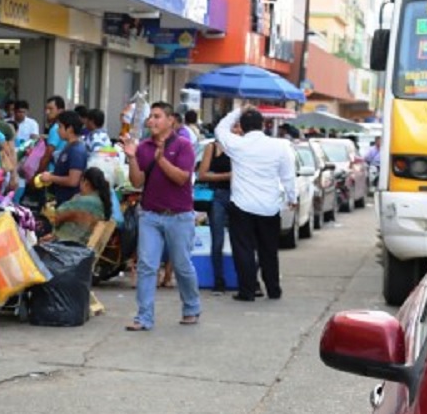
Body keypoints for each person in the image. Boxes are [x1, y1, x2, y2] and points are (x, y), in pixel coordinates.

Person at [120, 101, 201, 331]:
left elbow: (181, 178)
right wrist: (132, 158)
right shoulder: (144, 146)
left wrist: (161, 159)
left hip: (179, 215)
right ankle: (143, 317)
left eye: (157, 116)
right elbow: (137, 182)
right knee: (147, 265)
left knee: (182, 264)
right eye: (150, 117)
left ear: (170, 120)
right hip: (150, 215)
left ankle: (191, 307)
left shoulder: (184, 146)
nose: (152, 121)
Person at [215, 107, 296, 301]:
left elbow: (220, 129)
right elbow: (288, 176)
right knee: (268, 250)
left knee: (243, 249)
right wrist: (292, 198)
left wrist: (237, 110)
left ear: (241, 127)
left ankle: (247, 290)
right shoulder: (281, 146)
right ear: (263, 125)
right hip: (269, 206)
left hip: (242, 206)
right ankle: (274, 289)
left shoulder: (237, 144)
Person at [197, 118, 235, 294]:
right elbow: (202, 175)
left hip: (239, 197)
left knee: (242, 240)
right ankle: (218, 280)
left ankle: (245, 279)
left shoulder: (241, 148)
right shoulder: (212, 148)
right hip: (218, 197)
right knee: (217, 239)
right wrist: (228, 176)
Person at [44, 167, 112, 245]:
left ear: (86, 182)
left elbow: (56, 217)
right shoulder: (101, 203)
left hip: (67, 245)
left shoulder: (82, 201)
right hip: (82, 248)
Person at [38, 110, 88, 206]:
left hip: (70, 203)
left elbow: (73, 181)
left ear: (69, 128)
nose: (57, 130)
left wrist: (51, 178)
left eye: (60, 127)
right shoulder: (69, 146)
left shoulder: (76, 150)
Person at [37, 96, 66, 174]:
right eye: (46, 109)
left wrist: (37, 174)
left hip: (53, 172)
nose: (47, 112)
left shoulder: (55, 128)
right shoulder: (64, 127)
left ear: (60, 111)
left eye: (50, 109)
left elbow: (48, 155)